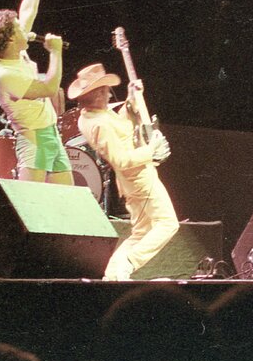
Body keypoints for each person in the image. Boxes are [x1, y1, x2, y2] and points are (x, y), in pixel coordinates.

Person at [67, 64, 177, 280]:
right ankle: (129, 261)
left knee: (141, 233)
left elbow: (122, 128)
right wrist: (151, 151)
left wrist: (129, 102)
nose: (109, 93)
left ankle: (112, 275)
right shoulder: (98, 123)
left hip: (133, 181)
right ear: (98, 94)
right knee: (168, 224)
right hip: (139, 179)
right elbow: (121, 160)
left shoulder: (94, 115)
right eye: (106, 89)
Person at [0, 0, 73, 184]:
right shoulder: (5, 75)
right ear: (10, 39)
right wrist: (56, 53)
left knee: (68, 199)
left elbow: (27, 13)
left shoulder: (16, 52)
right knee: (32, 205)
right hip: (34, 139)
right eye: (18, 29)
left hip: (50, 133)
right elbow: (50, 88)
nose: (25, 29)